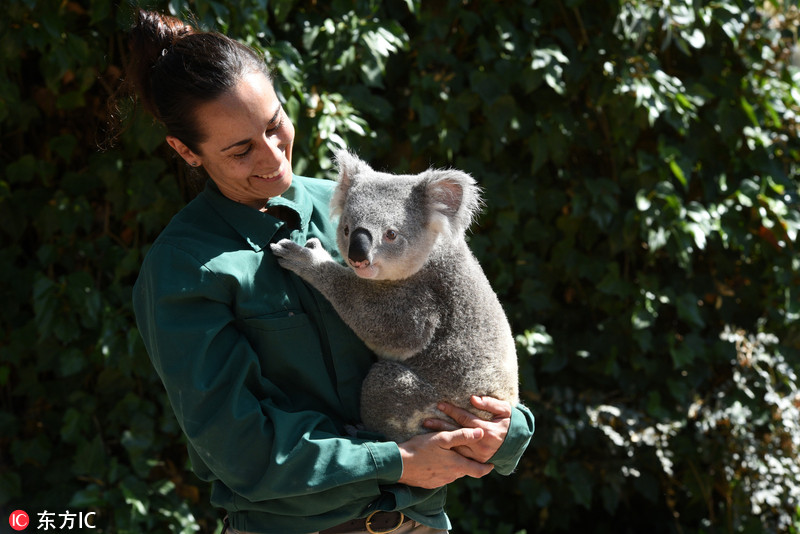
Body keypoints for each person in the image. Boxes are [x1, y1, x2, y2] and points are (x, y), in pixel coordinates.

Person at [127, 9, 534, 534]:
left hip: (420, 522)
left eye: (275, 125)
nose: (272, 156)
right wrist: (396, 461)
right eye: (241, 149)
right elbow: (239, 449)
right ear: (186, 151)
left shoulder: (362, 204)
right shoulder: (184, 267)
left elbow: (468, 329)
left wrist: (506, 430)